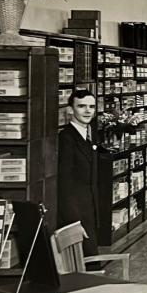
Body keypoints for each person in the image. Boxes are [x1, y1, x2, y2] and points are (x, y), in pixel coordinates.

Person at [57, 88, 100, 256]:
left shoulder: (88, 135)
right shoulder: (66, 138)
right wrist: (74, 223)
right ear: (70, 110)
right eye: (82, 106)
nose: (88, 110)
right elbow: (64, 184)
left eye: (91, 106)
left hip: (89, 212)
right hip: (76, 216)